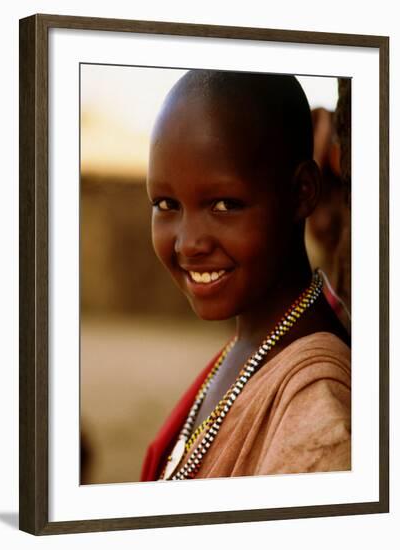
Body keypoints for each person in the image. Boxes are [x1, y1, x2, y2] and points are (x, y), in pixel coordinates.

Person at [140, 70, 351, 482]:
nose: (188, 244)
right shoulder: (252, 342)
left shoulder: (316, 414)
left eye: (223, 204)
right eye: (166, 203)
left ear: (303, 191)